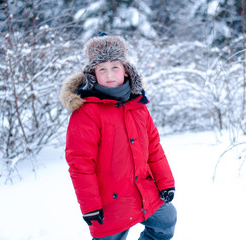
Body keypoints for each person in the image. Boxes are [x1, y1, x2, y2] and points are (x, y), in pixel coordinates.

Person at [60, 33, 177, 240]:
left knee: (166, 220)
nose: (109, 74)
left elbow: (154, 148)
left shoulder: (138, 106)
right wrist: (90, 206)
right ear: (93, 74)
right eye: (102, 68)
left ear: (126, 70)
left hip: (144, 190)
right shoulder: (87, 112)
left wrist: (165, 182)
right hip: (110, 201)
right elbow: (80, 163)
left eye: (115, 66)